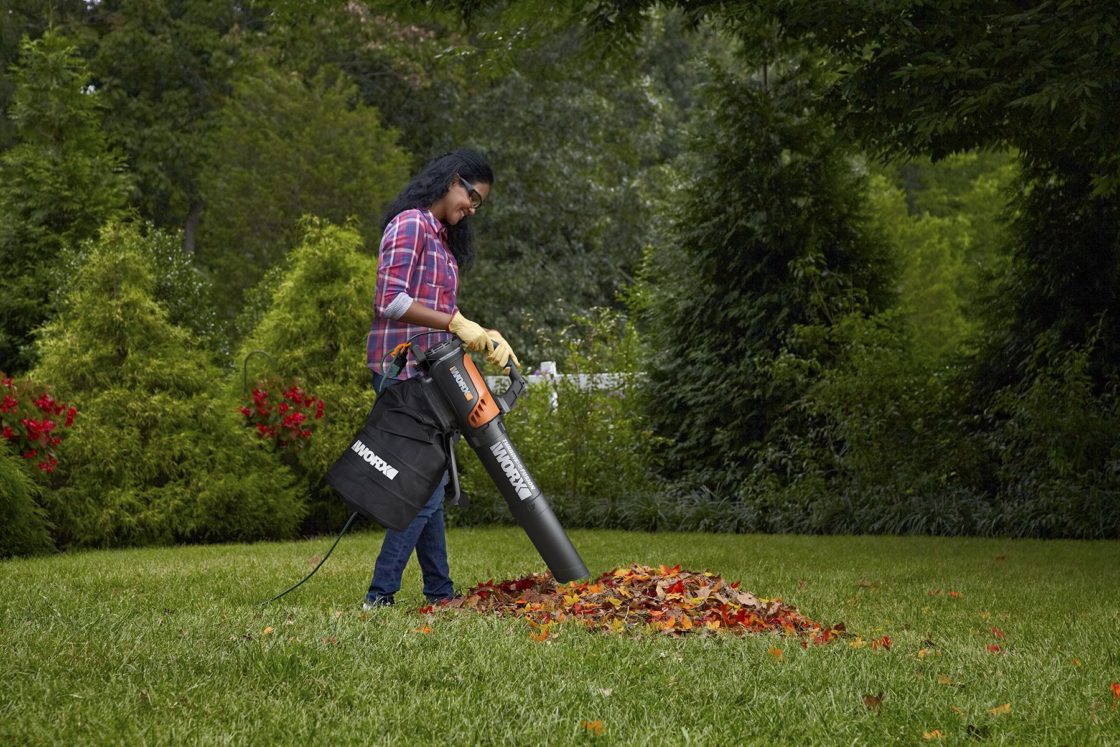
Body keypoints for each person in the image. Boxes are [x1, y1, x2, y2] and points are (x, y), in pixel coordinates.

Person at [362, 148, 517, 610]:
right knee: (425, 491)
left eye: (478, 204)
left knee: (431, 488)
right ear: (452, 180)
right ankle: (379, 597)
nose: (472, 208)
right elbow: (389, 300)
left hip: (430, 374)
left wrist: (481, 333)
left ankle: (439, 593)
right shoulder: (410, 224)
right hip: (402, 372)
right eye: (472, 197)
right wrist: (454, 323)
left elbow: (435, 308)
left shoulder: (440, 238)